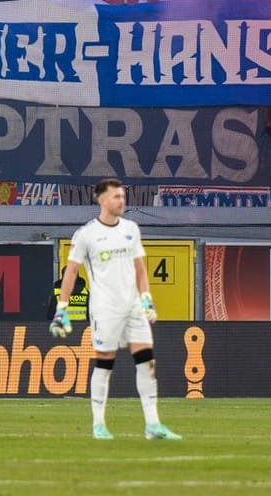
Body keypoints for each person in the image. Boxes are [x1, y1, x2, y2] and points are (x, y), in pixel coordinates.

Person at [54, 178, 179, 441]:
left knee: (147, 362)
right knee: (105, 364)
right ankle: (99, 425)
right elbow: (71, 272)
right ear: (102, 200)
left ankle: (153, 425)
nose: (122, 202)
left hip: (133, 307)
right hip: (105, 310)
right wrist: (61, 308)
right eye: (116, 197)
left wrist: (146, 300)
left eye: (123, 197)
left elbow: (140, 269)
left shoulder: (131, 228)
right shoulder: (86, 234)